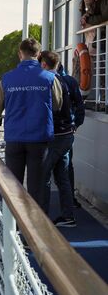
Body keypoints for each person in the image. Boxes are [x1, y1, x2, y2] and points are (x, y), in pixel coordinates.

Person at [0, 38, 62, 207]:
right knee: (37, 186)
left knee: (13, 186)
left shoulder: (7, 79)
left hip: (15, 137)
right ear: (38, 55)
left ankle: (12, 227)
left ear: (20, 54)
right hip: (39, 137)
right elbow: (57, 104)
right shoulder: (50, 78)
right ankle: (37, 228)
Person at [38, 51, 77, 227]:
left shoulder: (48, 82)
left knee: (43, 176)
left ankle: (42, 218)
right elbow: (77, 106)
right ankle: (68, 216)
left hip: (56, 136)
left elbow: (50, 109)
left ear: (44, 65)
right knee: (62, 176)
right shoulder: (67, 81)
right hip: (67, 134)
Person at [56, 63, 85, 208]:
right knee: (66, 167)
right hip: (67, 131)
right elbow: (80, 105)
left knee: (44, 168)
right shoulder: (71, 81)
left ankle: (40, 206)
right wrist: (75, 125)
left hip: (53, 132)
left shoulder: (47, 79)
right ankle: (70, 202)